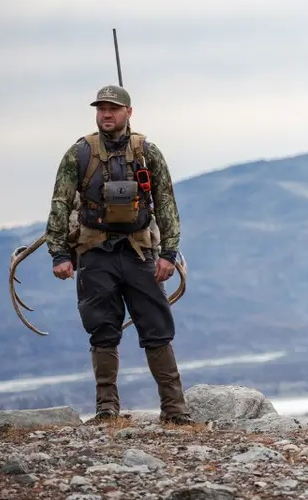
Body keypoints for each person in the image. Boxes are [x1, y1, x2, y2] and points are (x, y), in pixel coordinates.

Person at [44, 84, 195, 425]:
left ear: (129, 112)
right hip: (95, 253)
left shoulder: (148, 153)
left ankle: (175, 411)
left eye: (113, 109)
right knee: (102, 330)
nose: (106, 114)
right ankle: (107, 409)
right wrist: (59, 254)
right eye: (101, 109)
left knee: (157, 329)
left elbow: (167, 203)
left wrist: (169, 253)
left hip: (140, 251)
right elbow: (60, 203)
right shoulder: (79, 154)